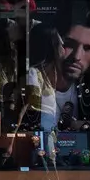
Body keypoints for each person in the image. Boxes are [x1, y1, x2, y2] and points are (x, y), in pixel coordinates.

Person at [22, 25, 65, 165]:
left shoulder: (54, 75)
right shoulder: (33, 74)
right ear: (51, 46)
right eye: (59, 42)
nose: (63, 46)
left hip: (52, 141)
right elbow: (33, 109)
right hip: (39, 142)